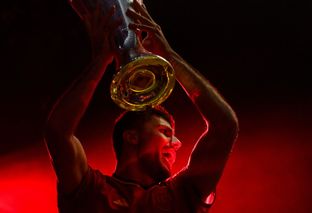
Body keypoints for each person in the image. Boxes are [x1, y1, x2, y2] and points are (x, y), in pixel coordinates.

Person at [44, 0, 239, 212]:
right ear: (132, 137)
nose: (177, 142)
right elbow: (57, 131)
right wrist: (100, 61)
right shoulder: (91, 191)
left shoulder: (182, 195)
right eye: (165, 132)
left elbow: (225, 125)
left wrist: (169, 56)